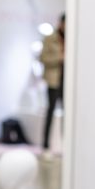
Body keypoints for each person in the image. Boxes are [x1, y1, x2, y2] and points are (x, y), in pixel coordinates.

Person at [39, 13, 64, 152]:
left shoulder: (71, 38)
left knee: (67, 115)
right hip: (54, 81)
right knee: (50, 111)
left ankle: (66, 143)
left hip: (66, 83)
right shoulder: (50, 38)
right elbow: (43, 58)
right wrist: (59, 58)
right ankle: (45, 144)